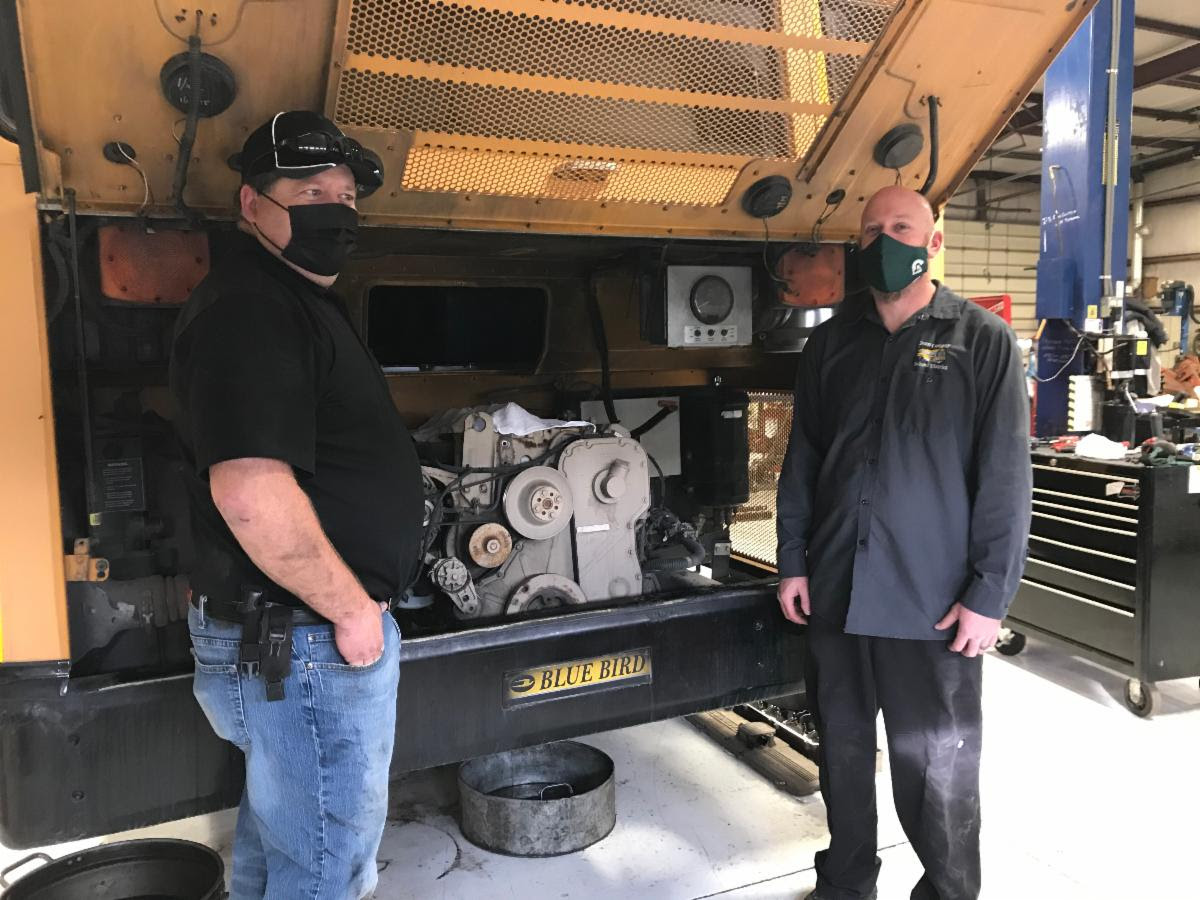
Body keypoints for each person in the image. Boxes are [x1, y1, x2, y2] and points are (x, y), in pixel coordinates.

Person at [170, 110, 424, 899]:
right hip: (308, 640)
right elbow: (249, 490)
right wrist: (351, 613)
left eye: (346, 194)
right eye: (309, 189)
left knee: (285, 846)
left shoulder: (292, 302)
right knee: (324, 868)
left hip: (292, 637)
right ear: (251, 204)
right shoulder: (253, 307)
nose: (334, 209)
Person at [776, 186, 1032, 900]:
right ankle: (846, 884)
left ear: (934, 243)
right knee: (844, 756)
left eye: (901, 227)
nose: (884, 241)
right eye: (871, 231)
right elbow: (803, 458)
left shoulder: (981, 341)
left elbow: (1006, 477)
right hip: (835, 590)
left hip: (932, 604)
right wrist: (793, 559)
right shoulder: (831, 342)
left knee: (938, 770)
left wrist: (989, 596)